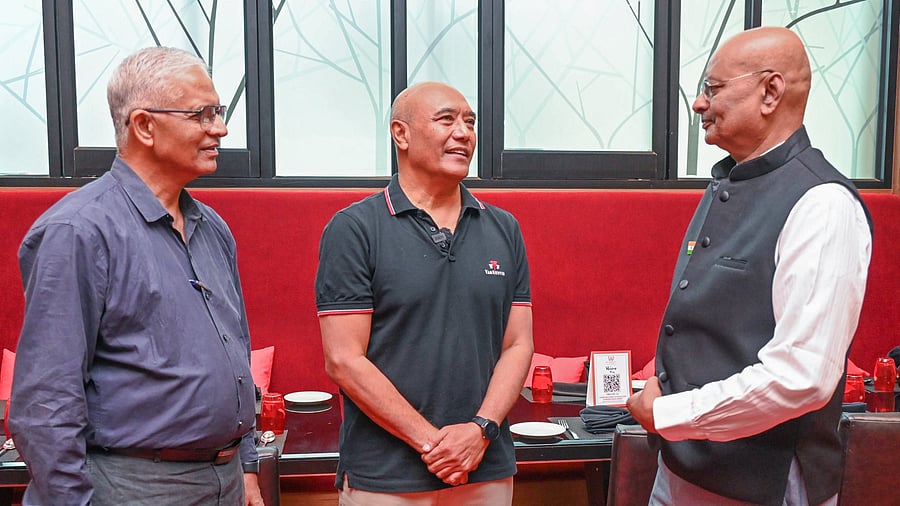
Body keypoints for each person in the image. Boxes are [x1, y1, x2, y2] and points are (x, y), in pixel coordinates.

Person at [626, 27, 872, 506]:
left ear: (770, 91)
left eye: (713, 89)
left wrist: (670, 413)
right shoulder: (728, 182)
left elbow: (801, 376)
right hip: (684, 465)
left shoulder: (822, 203)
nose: (698, 103)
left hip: (761, 482)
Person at [9, 47, 263, 506]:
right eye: (202, 114)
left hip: (223, 479)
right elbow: (46, 402)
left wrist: (244, 466)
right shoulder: (79, 231)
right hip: (132, 486)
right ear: (144, 125)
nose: (220, 129)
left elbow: (235, 352)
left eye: (219, 112)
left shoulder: (212, 228)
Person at [315, 81, 534, 505]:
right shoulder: (355, 228)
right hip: (385, 475)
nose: (464, 132)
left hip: (484, 464)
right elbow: (344, 359)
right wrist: (435, 444)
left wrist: (480, 430)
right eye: (446, 119)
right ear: (401, 134)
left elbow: (518, 343)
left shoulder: (504, 228)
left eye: (469, 122)